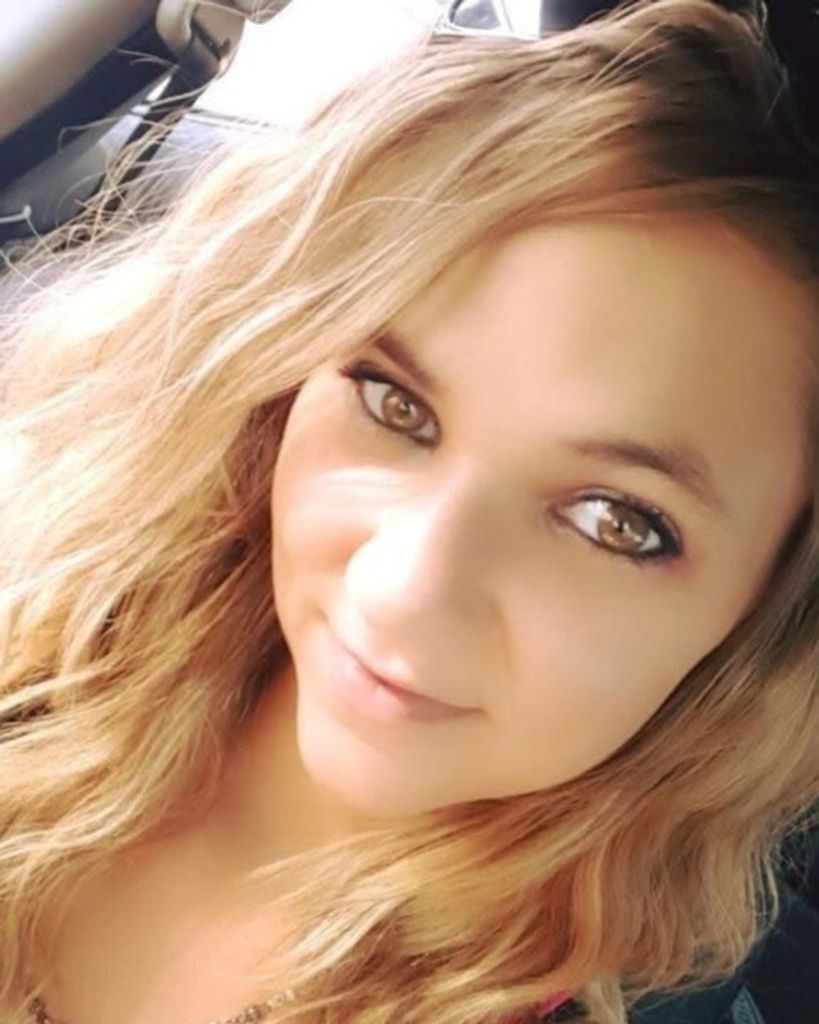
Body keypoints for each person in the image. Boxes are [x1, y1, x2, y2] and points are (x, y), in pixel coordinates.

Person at [1, 0, 818, 1021]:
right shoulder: (41, 634)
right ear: (282, 378)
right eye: (396, 406)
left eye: (615, 521)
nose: (404, 590)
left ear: (765, 614)